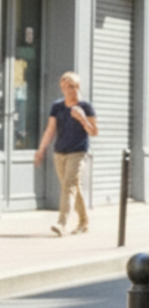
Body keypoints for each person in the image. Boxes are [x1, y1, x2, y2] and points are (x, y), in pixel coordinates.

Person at [34, 71, 98, 237]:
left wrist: (82, 118)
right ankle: (84, 222)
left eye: (70, 87)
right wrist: (41, 150)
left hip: (77, 151)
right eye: (63, 87)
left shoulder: (86, 107)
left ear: (77, 87)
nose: (67, 91)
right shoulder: (57, 106)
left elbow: (94, 132)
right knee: (72, 187)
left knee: (69, 186)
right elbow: (50, 129)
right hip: (60, 151)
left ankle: (61, 223)